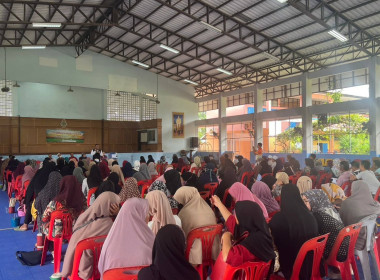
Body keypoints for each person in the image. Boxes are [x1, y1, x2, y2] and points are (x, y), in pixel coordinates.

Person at [61, 192, 120, 279]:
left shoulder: (83, 225)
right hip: (108, 271)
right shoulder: (116, 226)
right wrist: (119, 214)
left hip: (85, 272)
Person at [210, 199, 275, 273]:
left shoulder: (252, 243)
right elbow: (231, 221)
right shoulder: (261, 231)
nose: (235, 216)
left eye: (236, 213)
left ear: (244, 217)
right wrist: (218, 203)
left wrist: (226, 236)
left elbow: (227, 257)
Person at [269, 184, 318, 279]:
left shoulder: (279, 219)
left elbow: (273, 242)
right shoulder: (310, 216)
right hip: (312, 265)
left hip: (291, 268)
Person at [98, 198, 155, 276]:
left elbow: (102, 270)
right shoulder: (150, 243)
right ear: (139, 215)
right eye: (146, 213)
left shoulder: (109, 243)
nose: (148, 217)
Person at [173, 187, 219, 265]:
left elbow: (182, 236)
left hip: (196, 254)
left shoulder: (184, 213)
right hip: (213, 249)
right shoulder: (208, 209)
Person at [302, 190, 347, 261]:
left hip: (336, 254)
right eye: (303, 201)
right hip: (344, 249)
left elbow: (312, 236)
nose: (303, 204)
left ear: (315, 200)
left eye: (306, 201)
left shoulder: (318, 215)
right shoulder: (329, 208)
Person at [15, 161, 56, 231]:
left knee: (31, 204)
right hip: (55, 204)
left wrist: (27, 200)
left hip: (40, 202)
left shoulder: (39, 173)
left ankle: (25, 224)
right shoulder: (55, 175)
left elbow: (31, 187)